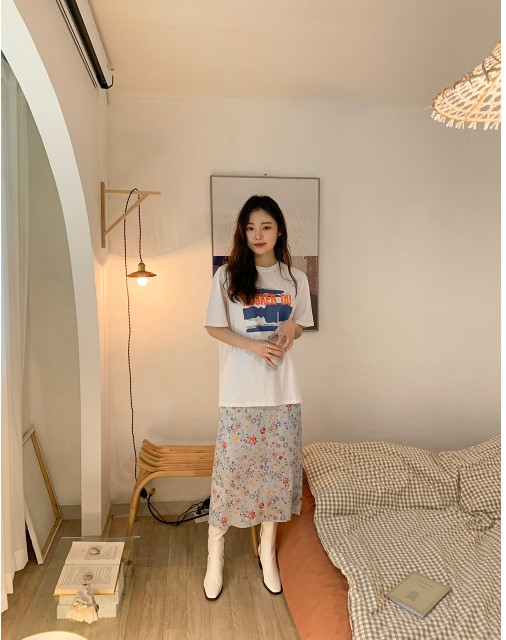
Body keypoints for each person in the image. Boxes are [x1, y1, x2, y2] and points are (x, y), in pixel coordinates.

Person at [203, 194, 314, 600]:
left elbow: (300, 324)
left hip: (283, 392)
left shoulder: (295, 279)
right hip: (240, 393)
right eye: (250, 228)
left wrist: (289, 331)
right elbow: (213, 327)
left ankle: (267, 553)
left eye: (265, 227)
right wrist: (252, 346)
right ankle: (215, 555)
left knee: (276, 478)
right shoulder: (227, 276)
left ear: (279, 230)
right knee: (229, 475)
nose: (257, 235)